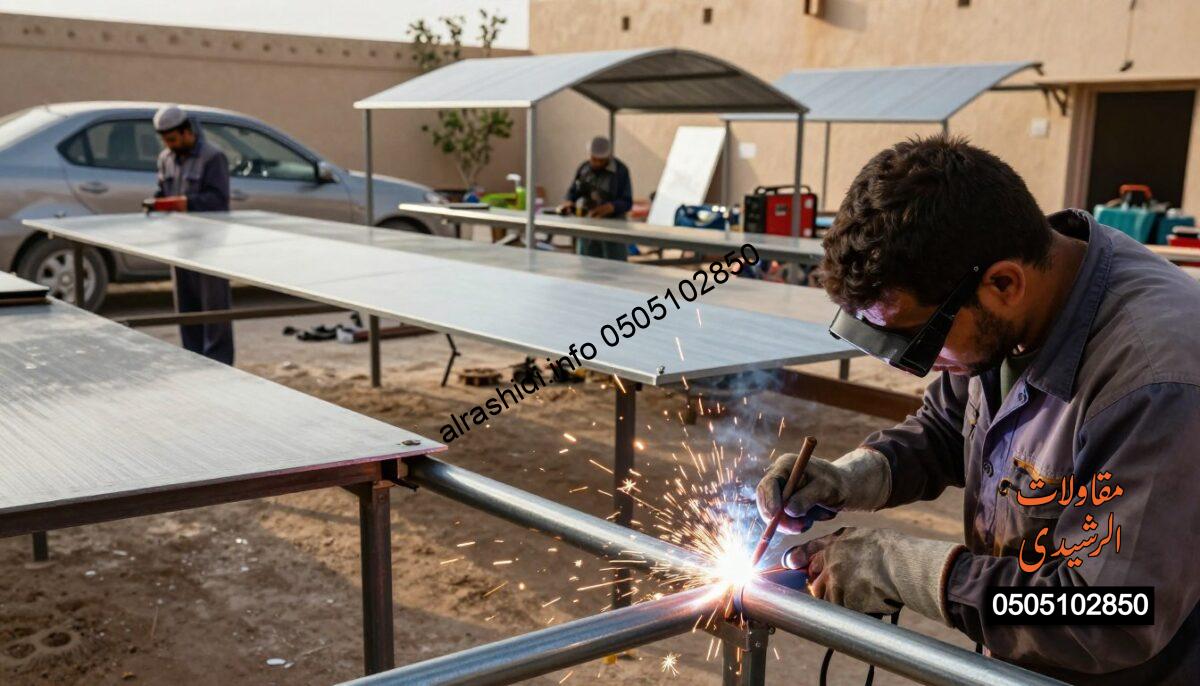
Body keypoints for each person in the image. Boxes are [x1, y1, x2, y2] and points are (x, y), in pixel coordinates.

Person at [756, 135, 1200, 684]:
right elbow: (951, 427)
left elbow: (1113, 613)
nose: (906, 368)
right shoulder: (1018, 302)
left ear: (1003, 283)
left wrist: (910, 572)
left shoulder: (1156, 382)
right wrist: (853, 476)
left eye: (916, 344)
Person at [151, 104, 235, 365]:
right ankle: (193, 360)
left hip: (210, 246)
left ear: (188, 132)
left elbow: (219, 201)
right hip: (180, 245)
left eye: (174, 139)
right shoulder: (166, 158)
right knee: (186, 310)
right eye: (166, 141)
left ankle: (219, 364)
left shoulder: (212, 157)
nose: (171, 145)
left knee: (214, 310)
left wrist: (186, 203)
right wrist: (156, 203)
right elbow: (161, 191)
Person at [556, 135, 632, 261]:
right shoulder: (584, 169)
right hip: (588, 223)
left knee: (615, 267)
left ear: (608, 157)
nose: (596, 163)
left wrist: (610, 207)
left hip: (614, 225)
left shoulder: (620, 171)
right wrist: (569, 202)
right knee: (588, 265)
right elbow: (574, 191)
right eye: (593, 159)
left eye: (601, 160)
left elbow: (627, 201)